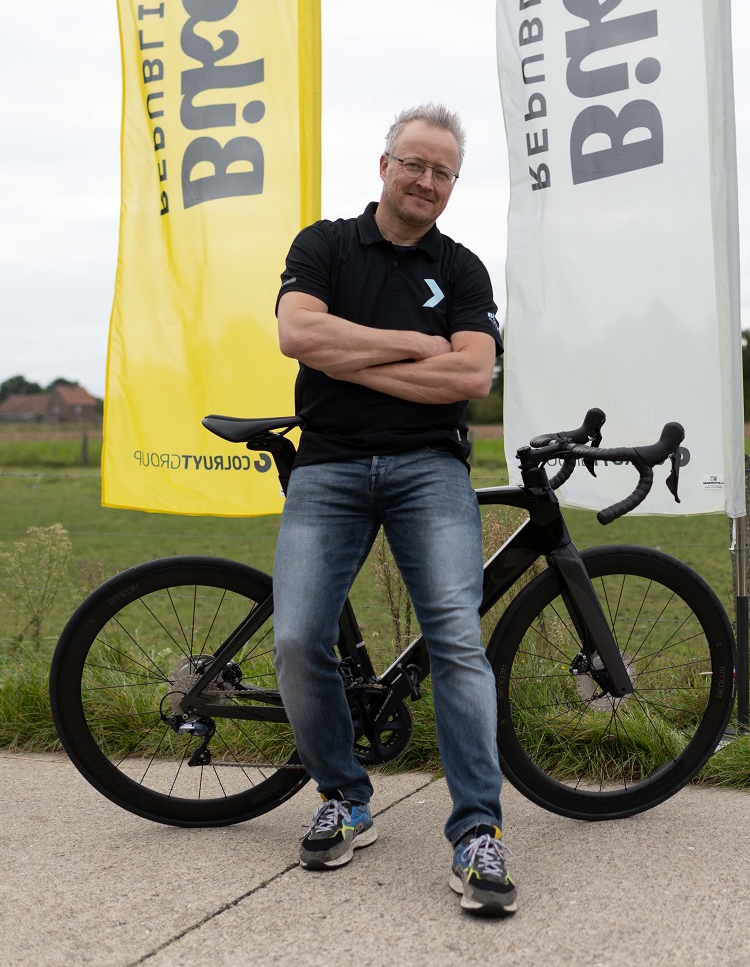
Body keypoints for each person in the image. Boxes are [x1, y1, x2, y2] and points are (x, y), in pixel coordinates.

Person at [271, 103, 514, 916]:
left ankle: (477, 832)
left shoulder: (463, 270)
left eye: (444, 171)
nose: (427, 181)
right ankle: (344, 797)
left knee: (457, 638)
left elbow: (471, 377)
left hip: (428, 467)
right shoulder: (324, 246)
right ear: (384, 166)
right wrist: (416, 344)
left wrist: (352, 357)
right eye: (414, 163)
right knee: (298, 638)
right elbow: (299, 336)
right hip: (330, 463)